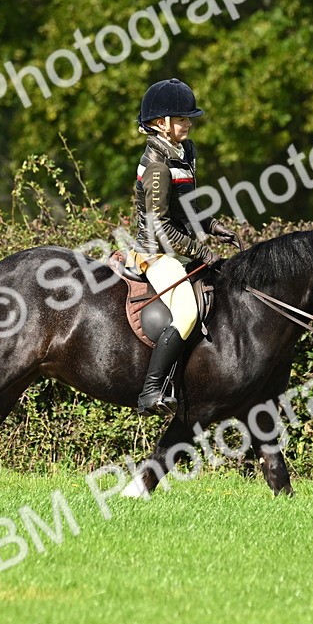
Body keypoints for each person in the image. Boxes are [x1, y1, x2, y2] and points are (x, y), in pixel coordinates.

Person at [130, 78, 240, 417]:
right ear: (160, 124)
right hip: (157, 253)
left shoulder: (184, 152)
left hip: (181, 247)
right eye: (182, 119)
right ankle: (151, 391)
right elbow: (160, 226)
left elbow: (187, 204)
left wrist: (211, 225)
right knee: (188, 312)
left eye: (188, 119)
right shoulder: (158, 166)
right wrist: (204, 252)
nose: (188, 124)